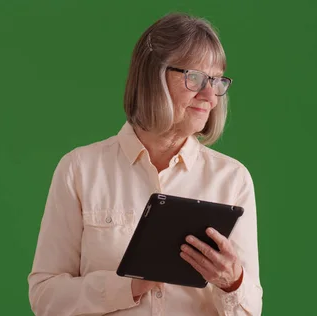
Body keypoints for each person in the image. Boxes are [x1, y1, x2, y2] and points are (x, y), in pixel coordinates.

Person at [28, 12, 263, 316]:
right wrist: (127, 287)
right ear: (153, 77)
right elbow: (45, 297)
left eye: (216, 81)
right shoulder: (79, 170)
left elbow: (250, 311)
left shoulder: (232, 179)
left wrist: (232, 282)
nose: (210, 96)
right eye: (194, 77)